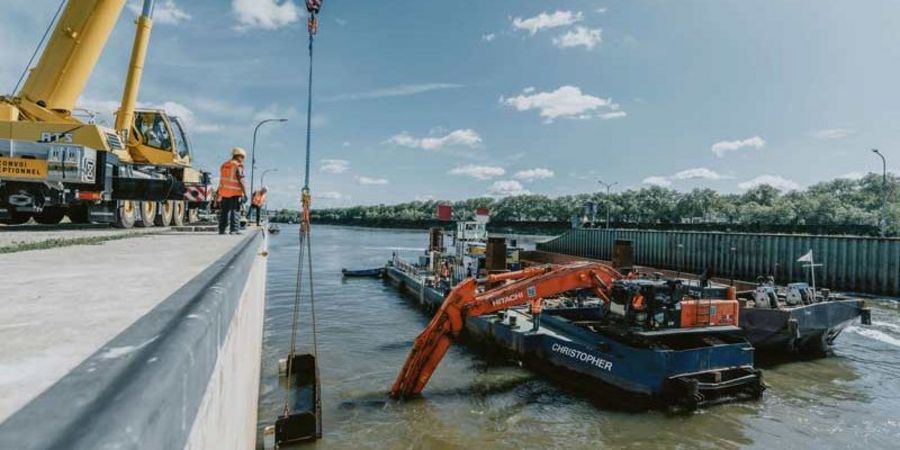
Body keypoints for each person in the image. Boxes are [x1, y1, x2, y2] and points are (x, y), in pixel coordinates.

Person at [218, 147, 247, 235]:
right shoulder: (237, 165)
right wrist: (245, 194)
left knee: (224, 211)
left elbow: (222, 180)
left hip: (224, 192)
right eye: (242, 157)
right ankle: (234, 229)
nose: (242, 160)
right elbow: (240, 180)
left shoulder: (224, 165)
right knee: (235, 211)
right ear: (239, 156)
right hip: (235, 193)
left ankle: (222, 230)